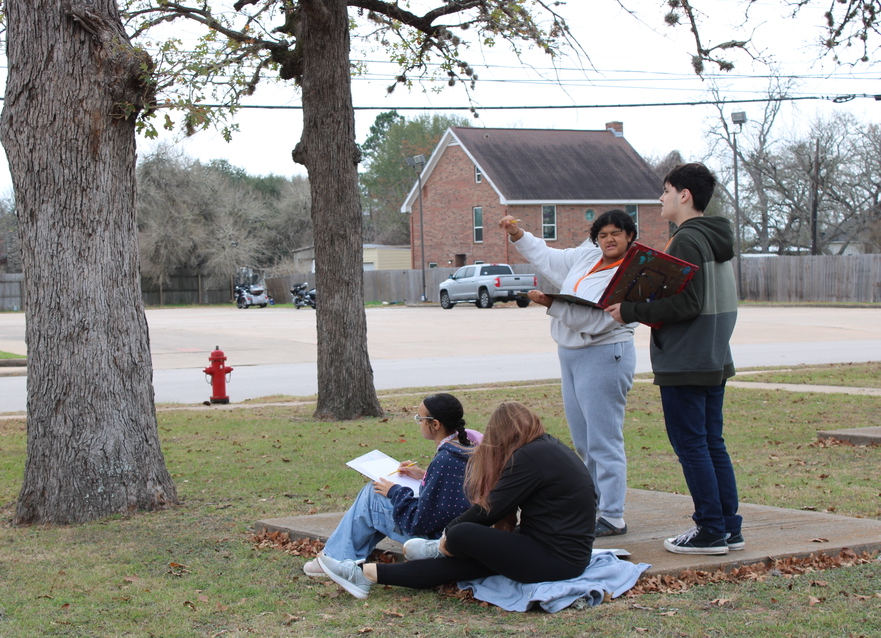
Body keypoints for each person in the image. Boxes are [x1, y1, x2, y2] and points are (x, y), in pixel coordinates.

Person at [317, 402, 596, 599]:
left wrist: (449, 536)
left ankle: (437, 548)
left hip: (556, 557)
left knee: (463, 531)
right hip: (559, 551)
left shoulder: (529, 457)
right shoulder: (546, 447)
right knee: (459, 567)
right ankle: (364, 574)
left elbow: (491, 509)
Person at [607, 162, 741, 556]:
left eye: (665, 190)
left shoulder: (685, 240)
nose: (660, 198)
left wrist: (630, 310)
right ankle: (728, 527)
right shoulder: (715, 237)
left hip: (686, 359)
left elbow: (687, 302)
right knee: (711, 443)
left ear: (684, 195)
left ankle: (710, 529)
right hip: (714, 355)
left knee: (692, 446)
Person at [498, 209, 638, 538]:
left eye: (616, 233)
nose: (609, 240)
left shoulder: (633, 272)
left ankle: (613, 515)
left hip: (605, 352)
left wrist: (550, 303)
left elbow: (599, 321)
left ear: (629, 235)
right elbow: (550, 259)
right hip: (570, 352)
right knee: (584, 440)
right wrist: (519, 236)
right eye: (603, 234)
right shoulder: (588, 255)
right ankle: (594, 506)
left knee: (604, 439)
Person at [303, 393, 480, 577]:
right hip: (455, 534)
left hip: (434, 542)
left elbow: (421, 522)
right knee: (377, 494)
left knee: (374, 494)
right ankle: (346, 556)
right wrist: (424, 475)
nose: (418, 422)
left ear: (435, 424)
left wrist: (396, 491)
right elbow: (449, 494)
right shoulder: (465, 447)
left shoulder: (445, 460)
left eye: (420, 419)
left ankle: (335, 559)